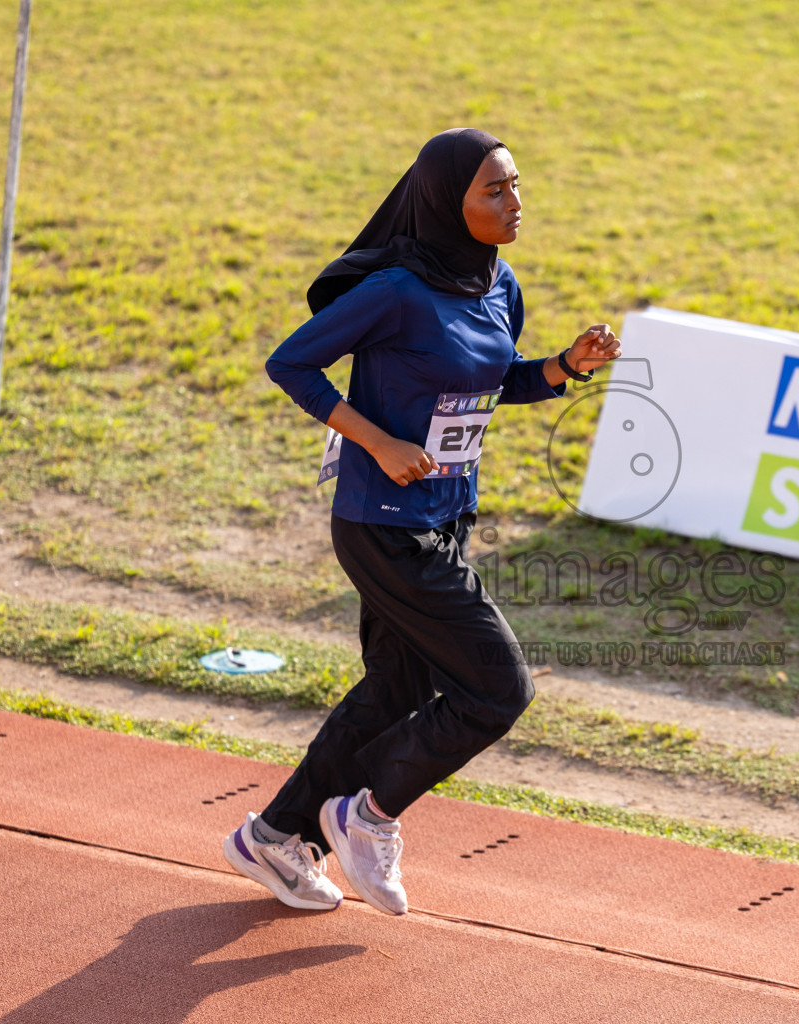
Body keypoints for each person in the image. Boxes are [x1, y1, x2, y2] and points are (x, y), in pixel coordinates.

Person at [223, 128, 620, 914]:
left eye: (515, 184)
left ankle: (275, 837)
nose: (514, 203)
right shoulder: (397, 291)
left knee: (393, 689)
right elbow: (290, 363)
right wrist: (377, 438)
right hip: (382, 522)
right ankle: (366, 812)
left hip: (446, 516)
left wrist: (563, 367)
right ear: (447, 200)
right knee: (498, 688)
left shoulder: (497, 285)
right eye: (493, 191)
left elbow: (487, 381)